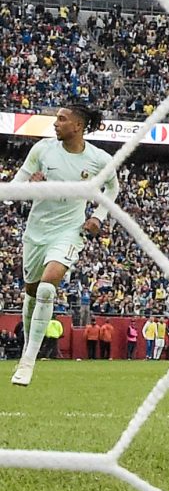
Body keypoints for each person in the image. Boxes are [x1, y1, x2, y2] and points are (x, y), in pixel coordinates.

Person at [12, 102, 119, 387]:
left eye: (61, 119)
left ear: (78, 126)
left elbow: (113, 187)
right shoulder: (42, 150)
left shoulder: (99, 159)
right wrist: (28, 186)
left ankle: (28, 361)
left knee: (48, 288)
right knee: (32, 293)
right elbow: (14, 187)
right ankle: (27, 350)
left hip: (70, 232)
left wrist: (98, 215)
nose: (55, 123)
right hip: (36, 232)